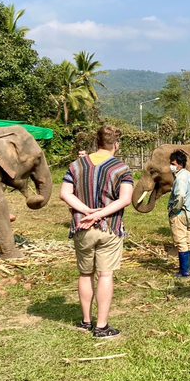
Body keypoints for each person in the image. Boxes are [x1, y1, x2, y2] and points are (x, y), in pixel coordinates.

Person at [60, 126, 133, 338]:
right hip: (109, 227)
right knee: (105, 274)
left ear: (96, 142)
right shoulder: (121, 168)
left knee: (85, 274)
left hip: (82, 226)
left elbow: (65, 193)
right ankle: (101, 326)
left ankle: (86, 321)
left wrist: (86, 212)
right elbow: (125, 199)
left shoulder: (76, 165)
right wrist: (100, 214)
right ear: (116, 145)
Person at [168, 149, 190, 277]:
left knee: (180, 241)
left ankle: (184, 271)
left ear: (180, 165)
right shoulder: (189, 175)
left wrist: (175, 209)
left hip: (181, 212)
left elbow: (180, 195)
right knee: (188, 239)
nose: (171, 166)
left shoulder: (180, 179)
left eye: (173, 164)